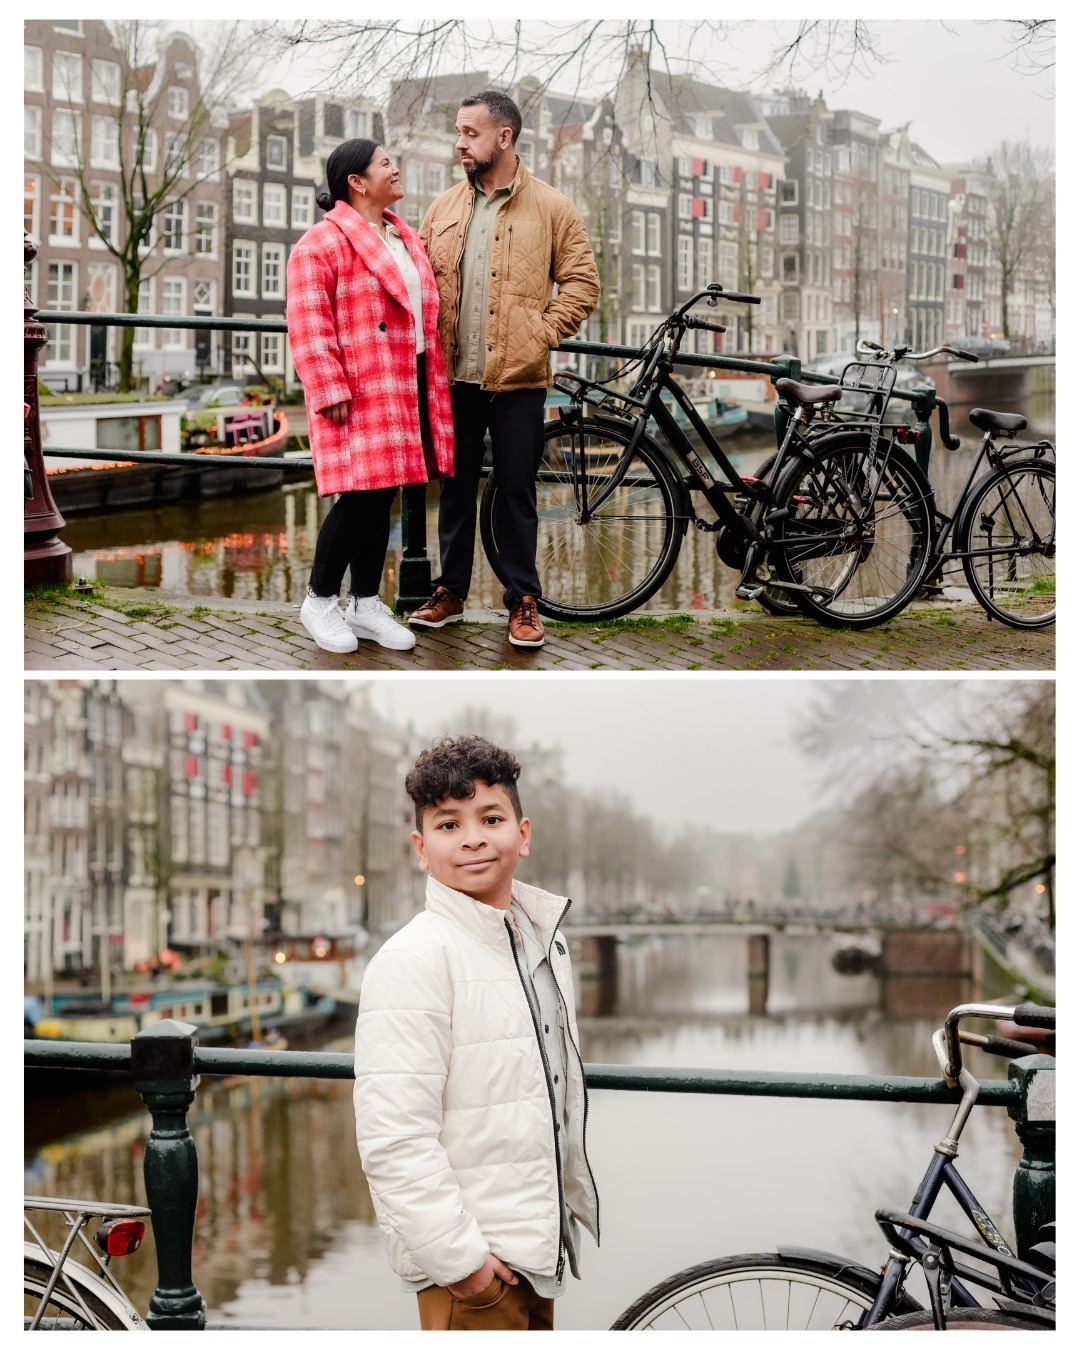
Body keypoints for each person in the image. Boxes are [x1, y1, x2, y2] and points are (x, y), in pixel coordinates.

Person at [353, 735, 600, 1331]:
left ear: (524, 833)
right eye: (447, 824)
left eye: (490, 818)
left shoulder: (537, 942)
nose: (472, 838)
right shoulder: (414, 959)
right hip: (474, 1270)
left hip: (528, 1252)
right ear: (420, 847)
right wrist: (464, 1265)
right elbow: (394, 1135)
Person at [410, 91, 600, 649]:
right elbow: (420, 285)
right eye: (458, 131)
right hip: (454, 378)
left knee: (516, 490)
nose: (459, 142)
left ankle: (522, 600)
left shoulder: (552, 207)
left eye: (470, 133)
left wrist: (538, 333)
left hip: (519, 380)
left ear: (505, 137)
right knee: (455, 489)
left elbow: (583, 284)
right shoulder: (441, 208)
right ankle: (449, 591)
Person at [286, 139, 455, 654]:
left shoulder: (403, 238)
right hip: (360, 382)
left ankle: (363, 601)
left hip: (405, 376)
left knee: (383, 492)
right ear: (357, 182)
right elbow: (308, 321)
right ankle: (319, 599)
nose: (396, 168)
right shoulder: (319, 244)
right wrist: (328, 385)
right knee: (359, 494)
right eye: (385, 163)